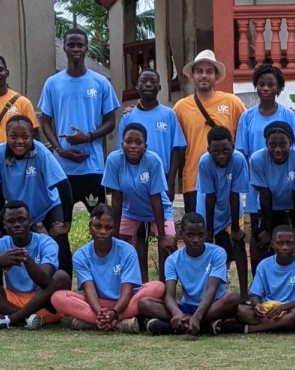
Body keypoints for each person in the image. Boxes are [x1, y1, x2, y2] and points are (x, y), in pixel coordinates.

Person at [0, 116, 74, 277]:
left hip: (47, 206)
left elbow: (64, 186)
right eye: (14, 137)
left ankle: (63, 291)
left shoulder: (41, 152)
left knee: (60, 241)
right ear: (6, 136)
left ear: (32, 135)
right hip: (16, 209)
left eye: (25, 137)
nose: (20, 141)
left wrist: (66, 224)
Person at [39, 28, 120, 215]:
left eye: (80, 45)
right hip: (61, 168)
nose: (76, 49)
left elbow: (110, 122)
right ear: (65, 48)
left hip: (92, 166)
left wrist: (87, 137)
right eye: (71, 45)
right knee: (60, 222)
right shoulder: (52, 83)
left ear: (86, 48)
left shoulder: (100, 83)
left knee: (100, 221)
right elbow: (46, 123)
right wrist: (61, 150)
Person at [51, 204, 166, 332]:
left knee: (157, 287)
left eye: (108, 228)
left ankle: (97, 321)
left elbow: (127, 291)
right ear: (90, 227)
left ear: (115, 228)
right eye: (97, 226)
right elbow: (89, 290)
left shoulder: (127, 250)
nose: (102, 232)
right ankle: (118, 323)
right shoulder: (80, 255)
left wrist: (115, 312)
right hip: (98, 303)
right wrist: (101, 312)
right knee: (58, 297)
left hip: (127, 301)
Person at [235, 64, 295, 263]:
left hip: (286, 183)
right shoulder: (247, 117)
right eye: (261, 84)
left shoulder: (287, 115)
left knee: (286, 234)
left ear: (278, 88)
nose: (265, 88)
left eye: (270, 84)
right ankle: (259, 281)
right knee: (260, 236)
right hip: (258, 183)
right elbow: (241, 151)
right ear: (256, 86)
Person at [0, 201, 72, 330]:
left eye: (21, 220)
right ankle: (27, 318)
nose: (17, 224)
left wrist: (25, 258)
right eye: (11, 221)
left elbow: (45, 280)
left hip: (43, 301)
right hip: (12, 299)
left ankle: (13, 319)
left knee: (62, 277)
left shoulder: (46, 242)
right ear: (4, 225)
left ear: (30, 221)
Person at [137, 212, 240, 336]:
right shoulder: (173, 259)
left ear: (206, 234)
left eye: (200, 235)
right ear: (181, 235)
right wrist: (177, 313)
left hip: (213, 305)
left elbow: (211, 290)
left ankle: (180, 325)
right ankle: (202, 324)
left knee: (232, 298)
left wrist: (197, 317)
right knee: (144, 304)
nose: (196, 240)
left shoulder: (217, 253)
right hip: (188, 306)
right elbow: (169, 295)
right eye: (190, 235)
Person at [102, 123, 177, 283]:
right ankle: (135, 282)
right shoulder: (114, 160)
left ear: (145, 145)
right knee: (114, 243)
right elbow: (116, 199)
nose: (133, 146)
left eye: (138, 142)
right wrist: (115, 232)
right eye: (129, 141)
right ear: (122, 143)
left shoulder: (153, 160)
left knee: (168, 243)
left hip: (158, 210)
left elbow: (156, 199)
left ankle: (164, 285)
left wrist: (162, 236)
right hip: (131, 212)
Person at [174, 49, 246, 213]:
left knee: (226, 233)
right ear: (192, 76)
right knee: (197, 234)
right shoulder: (181, 107)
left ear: (216, 77)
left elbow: (250, 126)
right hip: (194, 180)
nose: (204, 75)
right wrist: (136, 111)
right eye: (199, 71)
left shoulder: (232, 102)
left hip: (226, 179)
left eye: (209, 72)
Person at [220, 225, 295, 334]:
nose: (284, 247)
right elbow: (255, 295)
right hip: (267, 311)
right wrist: (256, 305)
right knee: (239, 310)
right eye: (280, 243)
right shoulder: (264, 265)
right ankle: (288, 325)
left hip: (289, 309)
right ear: (272, 244)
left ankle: (250, 329)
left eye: (289, 243)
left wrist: (283, 308)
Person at [248, 122, 295, 274]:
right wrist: (268, 231)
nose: (278, 149)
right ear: (266, 144)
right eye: (272, 145)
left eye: (283, 145)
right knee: (264, 243)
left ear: (291, 143)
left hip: (294, 203)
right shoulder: (257, 159)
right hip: (268, 204)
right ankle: (261, 283)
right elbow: (265, 195)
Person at [196, 127, 250, 300]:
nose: (221, 155)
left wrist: (235, 227)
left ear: (233, 147)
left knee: (238, 243)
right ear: (208, 150)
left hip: (232, 208)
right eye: (215, 152)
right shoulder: (205, 162)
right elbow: (209, 197)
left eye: (226, 150)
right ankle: (208, 291)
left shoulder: (238, 160)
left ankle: (243, 294)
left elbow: (235, 195)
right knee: (210, 247)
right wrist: (209, 231)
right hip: (208, 209)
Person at [116, 68, 186, 202]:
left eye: (153, 82)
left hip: (161, 178)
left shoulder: (169, 115)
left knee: (160, 219)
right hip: (133, 178)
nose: (148, 84)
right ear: (137, 86)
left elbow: (176, 149)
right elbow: (121, 153)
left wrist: (171, 182)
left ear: (159, 87)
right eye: (143, 81)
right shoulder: (128, 117)